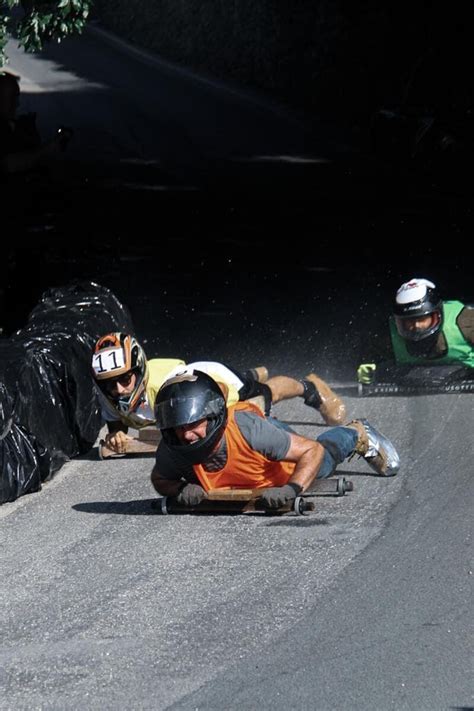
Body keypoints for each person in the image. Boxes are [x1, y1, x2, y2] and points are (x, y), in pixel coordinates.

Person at [150, 370, 400, 509]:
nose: (185, 435)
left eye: (193, 424)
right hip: (252, 441)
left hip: (269, 444)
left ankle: (357, 432)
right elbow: (160, 478)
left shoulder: (249, 431)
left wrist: (291, 489)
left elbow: (311, 451)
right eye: (177, 428)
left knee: (324, 460)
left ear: (214, 417)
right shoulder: (174, 447)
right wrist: (180, 488)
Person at [91, 332, 347, 454]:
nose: (119, 390)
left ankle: (310, 387)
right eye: (109, 384)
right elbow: (118, 428)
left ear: (139, 369)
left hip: (212, 380)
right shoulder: (109, 399)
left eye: (125, 379)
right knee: (251, 383)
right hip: (195, 381)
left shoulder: (164, 389)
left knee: (261, 399)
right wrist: (116, 437)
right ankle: (253, 373)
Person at [358, 278, 474, 384]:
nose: (416, 326)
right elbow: (366, 357)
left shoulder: (465, 322)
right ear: (397, 321)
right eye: (408, 322)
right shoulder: (388, 334)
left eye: (422, 319)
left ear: (438, 315)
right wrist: (368, 371)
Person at [0, 71, 73, 174]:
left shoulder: (13, 126)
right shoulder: (6, 128)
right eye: (12, 98)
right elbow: (9, 165)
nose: (17, 104)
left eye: (15, 98)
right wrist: (48, 148)